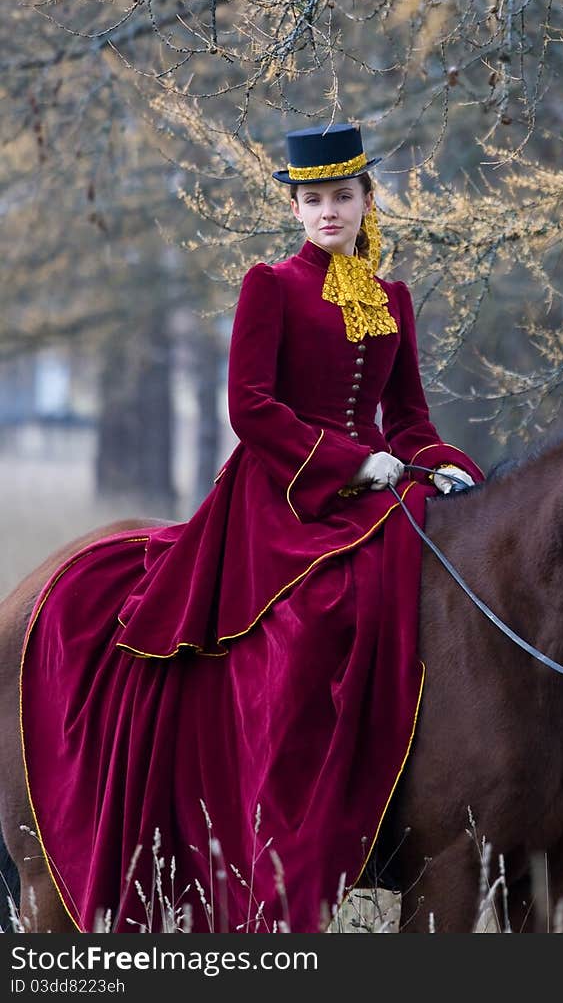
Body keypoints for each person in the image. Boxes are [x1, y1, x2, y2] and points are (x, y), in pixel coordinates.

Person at [19, 122, 484, 934]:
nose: (328, 212)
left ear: (367, 200)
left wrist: (445, 463)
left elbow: (408, 418)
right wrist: (350, 462)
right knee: (308, 626)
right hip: (284, 498)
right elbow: (251, 409)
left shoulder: (392, 298)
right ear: (297, 209)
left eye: (342, 196)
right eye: (313, 200)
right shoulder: (270, 285)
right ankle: (279, 846)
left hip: (373, 491)